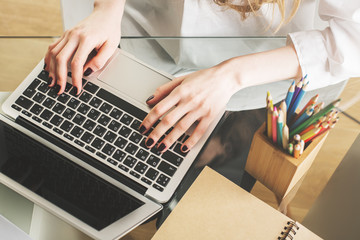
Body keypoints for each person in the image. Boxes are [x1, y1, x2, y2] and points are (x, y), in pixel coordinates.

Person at [44, 0, 360, 154]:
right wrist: (106, 11)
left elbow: (352, 40)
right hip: (140, 21)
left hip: (258, 63)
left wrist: (230, 76)